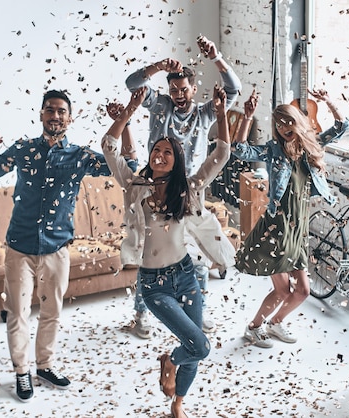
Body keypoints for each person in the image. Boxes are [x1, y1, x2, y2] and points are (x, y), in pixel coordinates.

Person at [0, 90, 137, 403]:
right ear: (41, 115)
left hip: (57, 248)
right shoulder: (22, 150)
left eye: (61, 111)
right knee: (18, 313)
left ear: (69, 118)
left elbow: (127, 165)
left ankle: (44, 366)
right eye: (50, 110)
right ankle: (22, 372)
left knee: (52, 312)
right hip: (19, 247)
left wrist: (123, 123)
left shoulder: (79, 156)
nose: (55, 115)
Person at [101, 85, 231, 418]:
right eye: (156, 150)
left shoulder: (188, 187)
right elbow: (110, 147)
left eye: (167, 152)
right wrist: (128, 112)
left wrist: (220, 114)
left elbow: (221, 155)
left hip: (186, 277)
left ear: (177, 160)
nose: (159, 155)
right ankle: (171, 360)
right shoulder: (134, 185)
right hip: (154, 284)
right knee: (199, 345)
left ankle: (178, 402)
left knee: (195, 346)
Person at [125, 35, 241, 338]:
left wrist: (216, 57)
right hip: (155, 186)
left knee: (197, 253)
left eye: (183, 89)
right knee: (151, 253)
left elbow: (234, 90)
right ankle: (141, 314)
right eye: (174, 89)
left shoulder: (204, 114)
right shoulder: (159, 104)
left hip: (190, 189)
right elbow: (132, 84)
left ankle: (196, 310)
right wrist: (158, 66)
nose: (178, 94)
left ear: (193, 89)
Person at [233, 89, 349, 348]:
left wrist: (328, 100)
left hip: (298, 229)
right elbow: (241, 151)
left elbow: (343, 126)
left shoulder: (311, 147)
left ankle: (275, 324)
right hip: (276, 227)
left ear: (298, 122)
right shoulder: (274, 150)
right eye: (279, 123)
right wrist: (247, 118)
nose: (285, 127)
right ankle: (253, 328)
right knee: (283, 290)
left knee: (303, 291)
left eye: (289, 121)